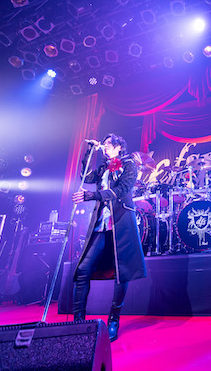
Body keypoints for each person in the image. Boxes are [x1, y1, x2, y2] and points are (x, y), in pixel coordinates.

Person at [72, 133, 147, 342]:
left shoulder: (130, 164)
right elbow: (85, 177)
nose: (105, 147)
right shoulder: (103, 167)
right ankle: (78, 322)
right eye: (103, 144)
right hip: (101, 223)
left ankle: (114, 319)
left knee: (122, 271)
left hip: (121, 222)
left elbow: (122, 190)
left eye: (108, 144)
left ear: (119, 147)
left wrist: (91, 196)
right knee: (83, 269)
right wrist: (89, 151)